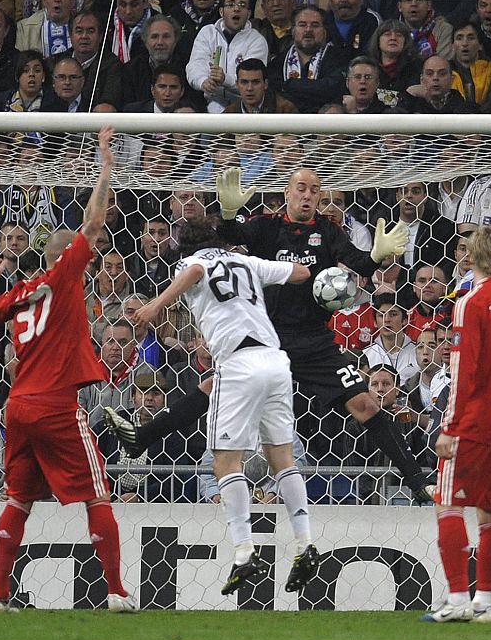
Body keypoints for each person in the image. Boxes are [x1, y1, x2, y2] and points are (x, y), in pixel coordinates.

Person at [105, 166, 431, 502]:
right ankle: (142, 437)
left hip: (315, 340)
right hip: (267, 337)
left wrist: (377, 255)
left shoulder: (329, 231)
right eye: (301, 188)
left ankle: (417, 483)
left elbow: (359, 264)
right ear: (287, 193)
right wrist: (229, 212)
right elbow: (230, 235)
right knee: (212, 386)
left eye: (315, 190)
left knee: (364, 403)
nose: (307, 195)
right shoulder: (267, 226)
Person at [0, 127, 135, 614]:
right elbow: (92, 220)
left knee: (19, 498)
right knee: (97, 495)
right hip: (56, 405)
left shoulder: (21, 294)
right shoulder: (65, 277)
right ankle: (116, 591)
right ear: (70, 260)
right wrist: (106, 165)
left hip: (17, 406)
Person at [130, 215, 318, 596]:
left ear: (184, 246)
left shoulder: (191, 262)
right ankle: (305, 543)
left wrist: (155, 306)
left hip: (237, 364)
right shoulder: (245, 261)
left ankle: (244, 551)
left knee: (224, 464)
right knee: (283, 458)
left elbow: (196, 270)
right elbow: (300, 271)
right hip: (276, 362)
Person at [421, 219, 491, 624]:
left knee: (447, 505)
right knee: (490, 512)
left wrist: (450, 427)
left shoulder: (471, 301)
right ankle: (485, 603)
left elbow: (463, 369)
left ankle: (456, 599)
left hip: (476, 424)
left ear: (469, 256)